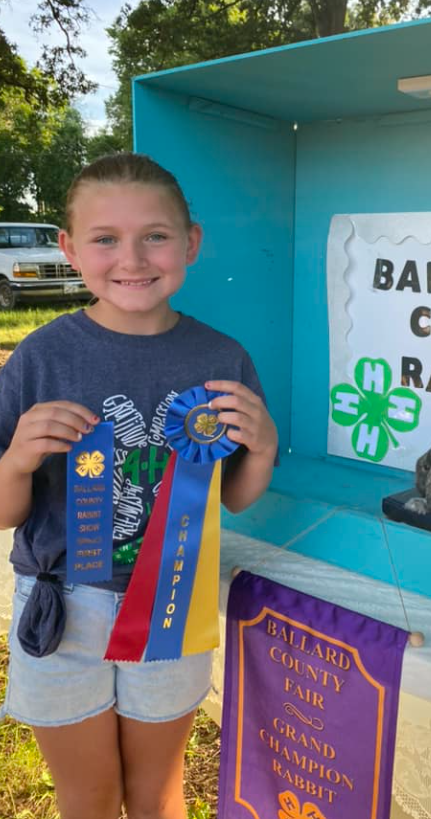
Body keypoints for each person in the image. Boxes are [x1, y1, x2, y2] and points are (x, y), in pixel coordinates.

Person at [0, 153, 278, 819]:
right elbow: (6, 511)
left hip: (172, 605)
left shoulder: (223, 357)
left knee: (157, 792)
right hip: (61, 608)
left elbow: (233, 495)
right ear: (69, 248)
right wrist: (14, 462)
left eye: (155, 234)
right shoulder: (41, 356)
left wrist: (262, 447)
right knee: (89, 797)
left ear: (191, 243)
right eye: (105, 238)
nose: (133, 257)